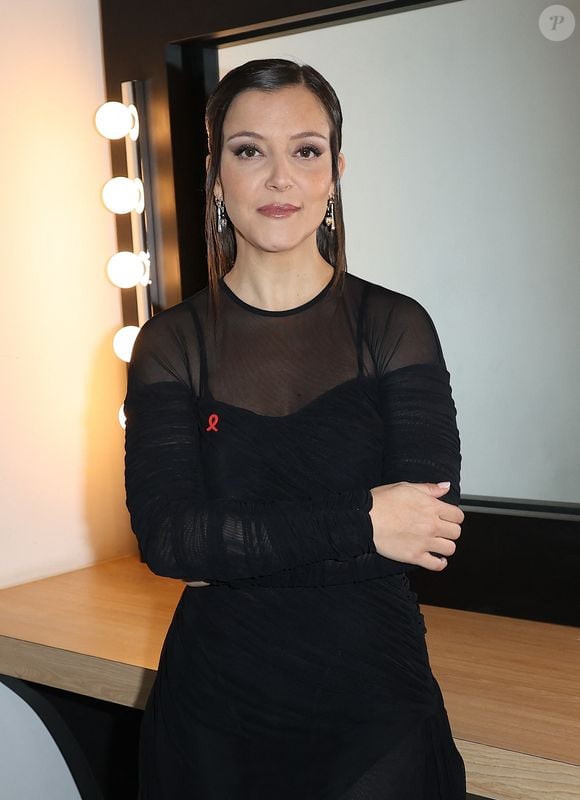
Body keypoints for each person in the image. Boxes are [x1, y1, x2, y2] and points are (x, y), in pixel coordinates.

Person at [124, 58, 466, 799]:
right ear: (216, 172)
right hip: (213, 721)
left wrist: (234, 548)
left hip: (375, 714)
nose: (280, 178)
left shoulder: (395, 327)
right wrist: (363, 520)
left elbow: (424, 529)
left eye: (304, 150)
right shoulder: (170, 344)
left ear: (334, 171)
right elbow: (170, 540)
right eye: (250, 151)